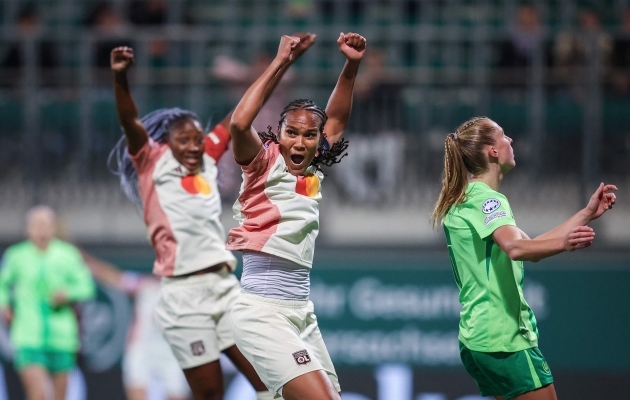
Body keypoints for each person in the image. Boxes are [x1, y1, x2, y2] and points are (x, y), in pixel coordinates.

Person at [108, 35, 315, 400]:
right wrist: (121, 78)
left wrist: (282, 60)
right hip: (181, 295)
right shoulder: (150, 160)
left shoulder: (205, 158)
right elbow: (129, 119)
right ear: (165, 143)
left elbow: (242, 112)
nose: (193, 145)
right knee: (209, 395)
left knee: (270, 383)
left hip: (224, 288)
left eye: (197, 139)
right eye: (183, 140)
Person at [430, 116, 617, 400]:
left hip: (477, 339)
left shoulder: (466, 198)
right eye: (504, 136)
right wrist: (565, 244)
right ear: (492, 151)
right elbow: (516, 249)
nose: (511, 141)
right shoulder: (487, 200)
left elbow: (530, 246)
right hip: (504, 339)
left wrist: (586, 213)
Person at [227, 32, 366, 400]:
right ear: (279, 133)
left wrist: (351, 65)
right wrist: (282, 61)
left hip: (301, 313)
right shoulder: (262, 163)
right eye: (291, 133)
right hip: (262, 313)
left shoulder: (312, 168)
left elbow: (335, 119)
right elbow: (240, 124)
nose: (300, 142)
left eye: (309, 135)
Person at [0, 206, 95, 400]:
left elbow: (86, 286)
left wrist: (67, 294)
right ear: (27, 229)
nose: (41, 229)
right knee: (39, 395)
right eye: (37, 225)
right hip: (28, 337)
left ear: (54, 228)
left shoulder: (68, 255)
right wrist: (4, 304)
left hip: (62, 339)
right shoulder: (16, 256)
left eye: (46, 225)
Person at [82, 251, 189, 400]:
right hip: (142, 350)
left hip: (172, 353)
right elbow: (113, 277)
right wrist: (86, 260)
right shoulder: (144, 285)